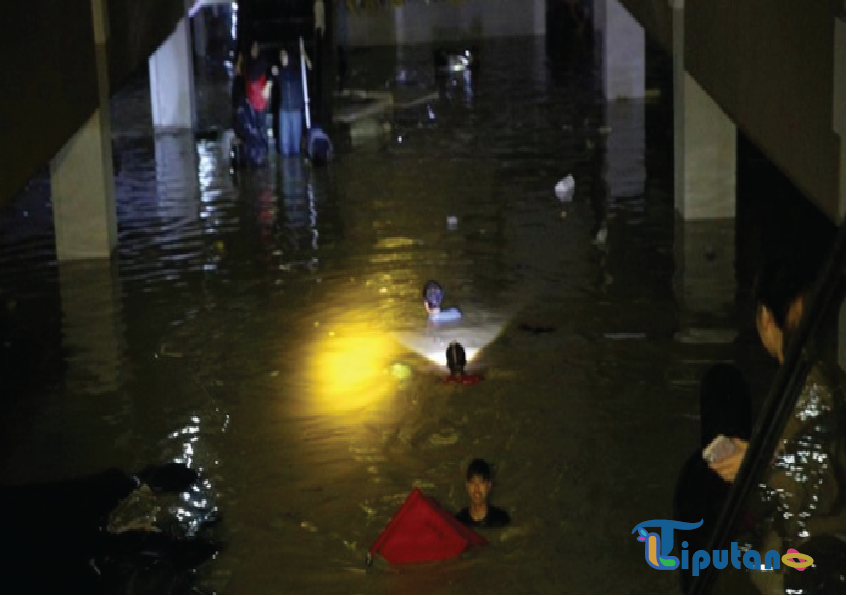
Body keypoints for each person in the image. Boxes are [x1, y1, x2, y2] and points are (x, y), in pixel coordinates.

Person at [273, 47, 311, 156]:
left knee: (296, 145)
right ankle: (285, 169)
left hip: (295, 110)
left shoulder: (298, 71)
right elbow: (272, 77)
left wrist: (305, 56)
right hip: (284, 110)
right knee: (284, 145)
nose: (282, 58)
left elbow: (309, 69)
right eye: (281, 56)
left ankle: (297, 169)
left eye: (284, 55)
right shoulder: (279, 72)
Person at [455, 459, 511, 528]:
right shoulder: (458, 522)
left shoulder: (501, 520)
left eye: (481, 482)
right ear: (467, 486)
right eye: (472, 482)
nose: (476, 489)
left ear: (489, 485)